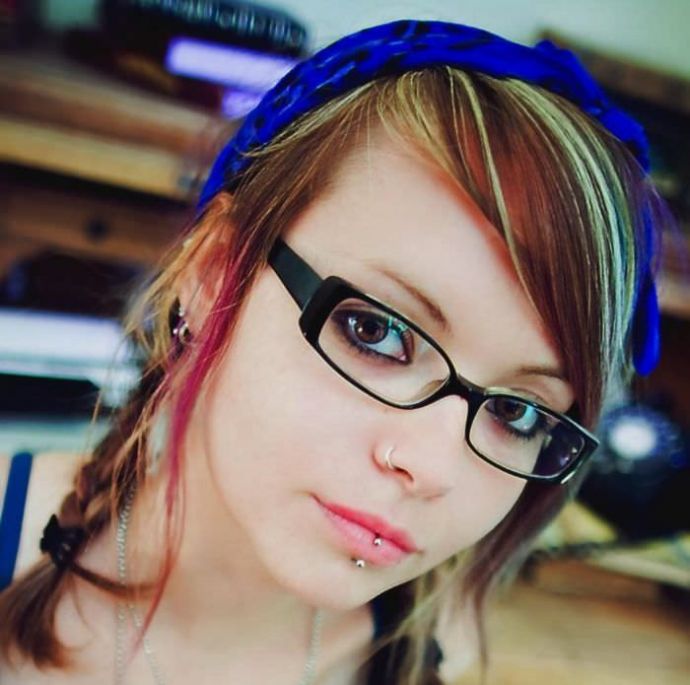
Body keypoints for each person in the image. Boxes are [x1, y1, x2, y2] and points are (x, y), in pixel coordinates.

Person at [0, 19, 670, 685]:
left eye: (518, 412)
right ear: (214, 273)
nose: (432, 467)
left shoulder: (430, 647)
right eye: (377, 332)